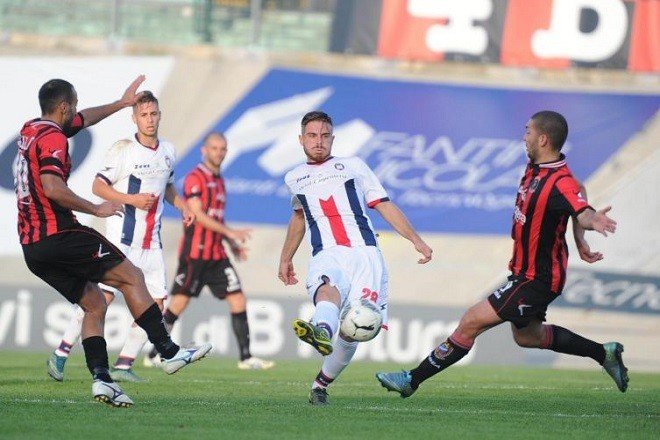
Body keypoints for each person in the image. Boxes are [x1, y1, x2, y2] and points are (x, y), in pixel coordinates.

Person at [376, 110, 629, 397]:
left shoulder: (560, 182)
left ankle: (411, 380)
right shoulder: (537, 169)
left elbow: (582, 209)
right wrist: (579, 239)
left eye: (528, 131)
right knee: (528, 337)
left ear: (543, 139)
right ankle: (604, 353)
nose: (524, 137)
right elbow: (580, 189)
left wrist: (590, 222)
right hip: (523, 272)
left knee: (471, 321)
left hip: (537, 278)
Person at [18, 77, 211, 408]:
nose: (77, 112)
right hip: (59, 234)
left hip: (32, 248)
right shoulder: (54, 138)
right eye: (74, 106)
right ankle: (169, 352)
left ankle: (103, 379)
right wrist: (96, 208)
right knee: (132, 277)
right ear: (63, 107)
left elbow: (84, 120)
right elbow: (52, 188)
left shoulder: (32, 129)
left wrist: (121, 103)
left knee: (94, 303)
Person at [278, 111, 433, 405]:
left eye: (325, 135)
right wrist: (285, 258)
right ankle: (322, 332)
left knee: (354, 328)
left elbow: (383, 204)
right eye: (312, 135)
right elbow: (299, 217)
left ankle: (320, 385)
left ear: (333, 138)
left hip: (365, 255)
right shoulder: (294, 177)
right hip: (327, 252)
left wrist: (416, 240)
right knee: (327, 289)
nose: (319, 141)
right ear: (301, 140)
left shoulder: (353, 166)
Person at [47, 90, 198, 383]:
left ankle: (124, 364)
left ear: (160, 115)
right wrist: (131, 200)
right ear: (134, 119)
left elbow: (167, 186)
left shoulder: (168, 150)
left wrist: (182, 207)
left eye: (153, 114)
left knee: (157, 303)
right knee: (101, 298)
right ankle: (61, 352)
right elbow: (98, 187)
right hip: (122, 241)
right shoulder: (123, 150)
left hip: (151, 243)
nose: (149, 119)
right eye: (143, 115)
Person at [143, 132, 274, 370]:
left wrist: (231, 244)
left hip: (217, 256)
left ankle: (246, 358)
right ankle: (153, 353)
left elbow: (216, 217)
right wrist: (231, 232)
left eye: (223, 149)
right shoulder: (195, 178)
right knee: (178, 304)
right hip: (195, 255)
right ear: (204, 150)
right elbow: (198, 215)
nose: (219, 153)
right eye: (214, 148)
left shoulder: (220, 180)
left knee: (238, 299)